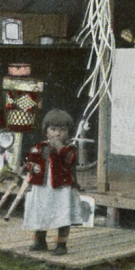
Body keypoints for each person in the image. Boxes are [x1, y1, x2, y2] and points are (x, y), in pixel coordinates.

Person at [23, 109, 82, 255]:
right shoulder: (40, 147)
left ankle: (61, 244)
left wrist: (59, 146)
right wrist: (32, 167)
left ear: (69, 132)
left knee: (62, 214)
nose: (57, 134)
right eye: (53, 129)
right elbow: (29, 161)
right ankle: (40, 241)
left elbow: (70, 160)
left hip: (61, 188)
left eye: (62, 130)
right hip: (42, 186)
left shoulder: (70, 148)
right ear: (46, 131)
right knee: (40, 212)